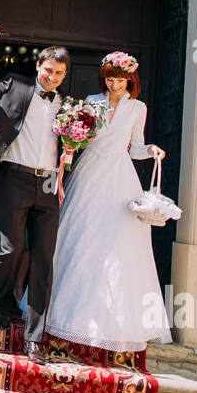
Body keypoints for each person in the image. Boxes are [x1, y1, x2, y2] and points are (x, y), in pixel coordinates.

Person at [43, 50, 173, 354]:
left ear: (131, 80)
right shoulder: (91, 101)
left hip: (119, 176)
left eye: (121, 80)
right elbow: (81, 138)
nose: (115, 85)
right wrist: (73, 137)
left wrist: (152, 149)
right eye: (111, 79)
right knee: (79, 234)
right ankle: (61, 312)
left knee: (118, 243)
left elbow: (134, 148)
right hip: (89, 172)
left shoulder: (137, 108)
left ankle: (115, 322)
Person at [0, 20, 67, 363]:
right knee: (10, 250)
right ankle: (0, 308)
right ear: (39, 66)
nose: (51, 78)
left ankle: (35, 338)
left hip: (49, 185)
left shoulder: (68, 107)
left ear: (64, 76)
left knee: (43, 260)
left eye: (58, 74)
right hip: (15, 178)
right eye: (48, 70)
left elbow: (71, 146)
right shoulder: (16, 86)